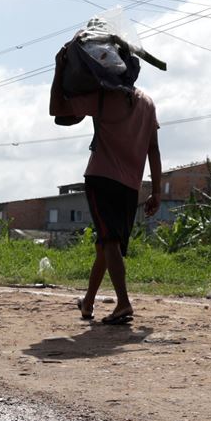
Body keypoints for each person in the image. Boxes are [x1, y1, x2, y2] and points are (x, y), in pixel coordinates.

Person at [50, 79, 161, 325]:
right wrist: (157, 191)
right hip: (131, 185)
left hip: (101, 178)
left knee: (109, 241)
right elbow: (153, 148)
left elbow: (58, 111)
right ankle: (88, 301)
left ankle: (123, 303)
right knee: (107, 243)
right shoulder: (148, 102)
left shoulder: (102, 95)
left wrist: (60, 69)